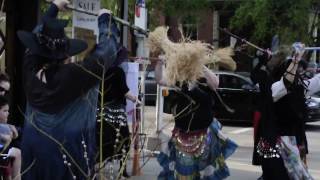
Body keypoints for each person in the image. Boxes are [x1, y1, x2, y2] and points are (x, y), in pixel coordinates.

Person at [17, 0, 119, 179]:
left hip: (34, 153)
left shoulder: (30, 70)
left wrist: (54, 9)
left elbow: (36, 39)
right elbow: (106, 53)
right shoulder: (74, 76)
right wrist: (105, 21)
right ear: (64, 55)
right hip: (66, 155)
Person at [155, 58, 237, 179]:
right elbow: (160, 80)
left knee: (206, 171)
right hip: (182, 135)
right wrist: (159, 64)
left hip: (203, 134)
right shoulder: (180, 79)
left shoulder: (204, 79)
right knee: (184, 171)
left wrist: (200, 65)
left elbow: (215, 84)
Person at [251, 43, 317, 180]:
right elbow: (285, 82)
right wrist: (295, 60)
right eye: (296, 69)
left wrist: (295, 61)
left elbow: (316, 81)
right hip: (273, 142)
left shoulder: (299, 87)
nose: (299, 72)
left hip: (290, 142)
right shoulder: (274, 88)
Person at [96, 46, 140, 178]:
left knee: (100, 141)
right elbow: (124, 91)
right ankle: (123, 169)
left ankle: (97, 169)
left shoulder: (100, 70)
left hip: (101, 112)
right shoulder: (118, 71)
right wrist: (136, 99)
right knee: (123, 140)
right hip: (116, 113)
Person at [0, 95, 21, 180]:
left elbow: (15, 135)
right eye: (5, 111)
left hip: (3, 156)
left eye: (8, 111)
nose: (8, 113)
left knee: (16, 152)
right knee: (16, 153)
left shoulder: (5, 126)